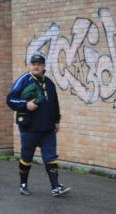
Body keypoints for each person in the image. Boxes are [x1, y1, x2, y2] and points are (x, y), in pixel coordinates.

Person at [6, 52, 70, 197]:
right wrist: (25, 105)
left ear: (44, 66)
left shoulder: (49, 83)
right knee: (26, 157)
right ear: (30, 65)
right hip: (29, 128)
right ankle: (23, 185)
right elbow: (10, 100)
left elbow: (55, 104)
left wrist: (56, 121)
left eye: (39, 64)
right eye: (34, 64)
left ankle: (55, 187)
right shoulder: (23, 80)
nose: (36, 66)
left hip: (48, 129)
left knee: (51, 157)